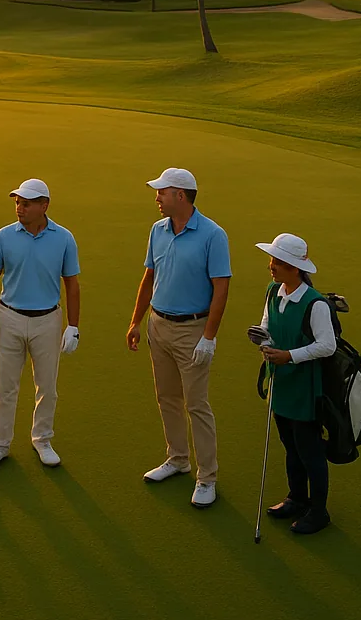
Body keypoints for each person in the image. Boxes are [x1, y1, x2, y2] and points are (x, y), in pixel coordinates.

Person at [125, 167, 231, 508]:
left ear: (180, 196)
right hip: (159, 324)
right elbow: (148, 277)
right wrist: (136, 321)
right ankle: (178, 458)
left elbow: (221, 287)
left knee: (196, 404)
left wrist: (209, 337)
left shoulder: (213, 235)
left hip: (192, 330)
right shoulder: (158, 230)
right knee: (167, 397)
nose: (156, 198)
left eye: (161, 192)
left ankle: (207, 476)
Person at [0, 178, 81, 469]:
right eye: (17, 203)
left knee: (47, 385)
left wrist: (73, 325)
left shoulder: (63, 238)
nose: (19, 208)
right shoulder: (4, 236)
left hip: (47, 320)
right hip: (9, 317)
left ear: (43, 206)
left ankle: (42, 439)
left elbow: (72, 284)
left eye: (25, 203)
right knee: (5, 386)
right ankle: (0, 445)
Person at [254, 232, 336, 535]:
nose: (271, 266)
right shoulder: (273, 291)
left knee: (310, 450)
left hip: (306, 387)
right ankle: (296, 497)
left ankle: (319, 511)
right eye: (272, 259)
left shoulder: (315, 304)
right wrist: (264, 341)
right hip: (281, 383)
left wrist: (288, 355)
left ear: (294, 266)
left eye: (277, 261)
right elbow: (267, 324)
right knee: (290, 444)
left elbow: (327, 346)